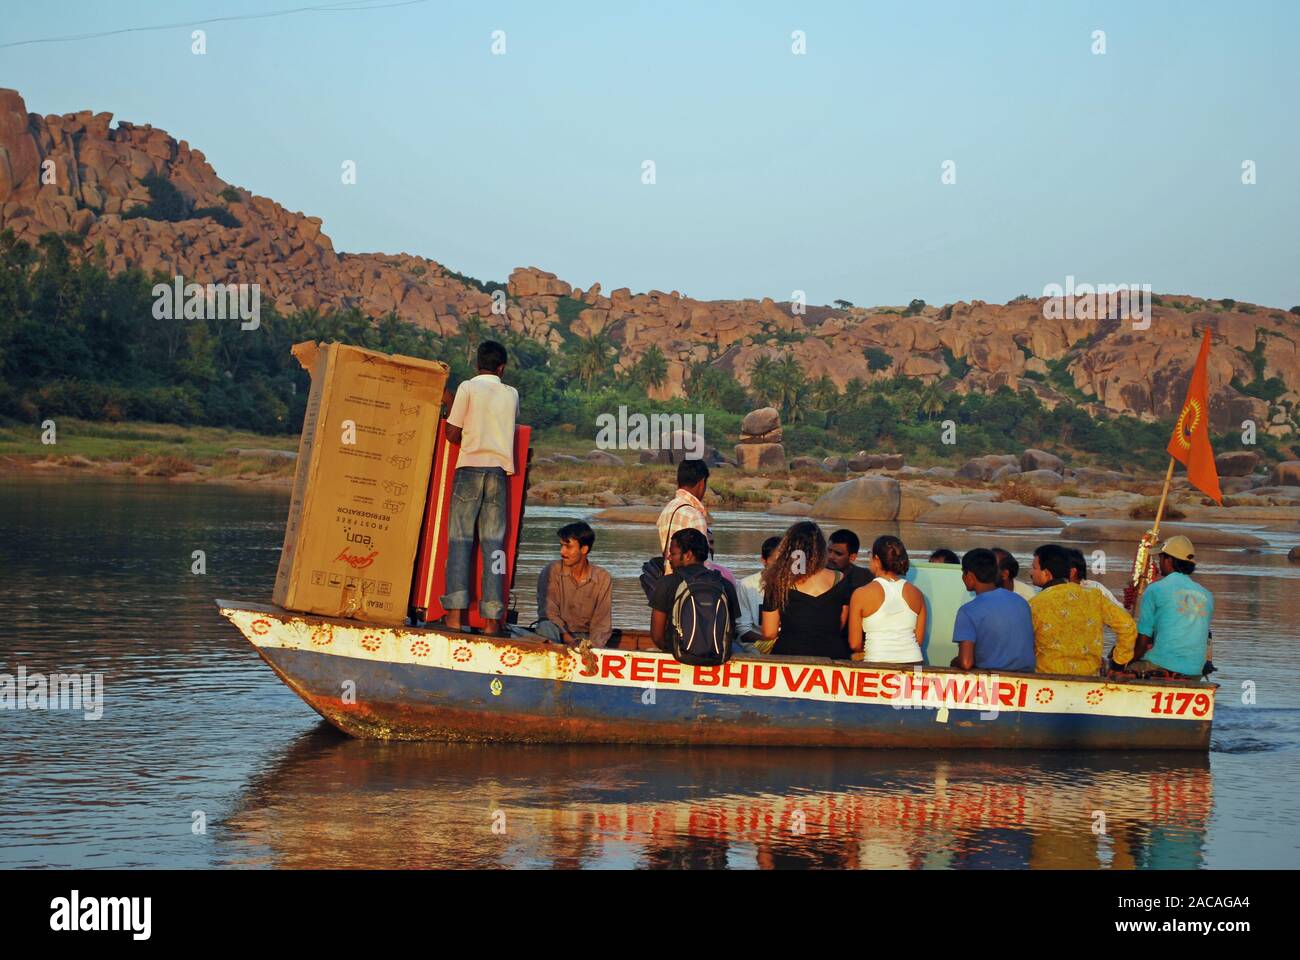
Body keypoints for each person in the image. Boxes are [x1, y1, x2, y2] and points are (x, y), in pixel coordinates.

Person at [440, 339, 519, 635]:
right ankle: (491, 622)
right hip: (498, 474)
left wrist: (449, 404)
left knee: (460, 542)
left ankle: (454, 618)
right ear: (502, 368)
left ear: (477, 365)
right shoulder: (512, 394)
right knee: (493, 547)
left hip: (469, 469)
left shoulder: (467, 388)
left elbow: (452, 433)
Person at [1028, 543, 1136, 675]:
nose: (1030, 572)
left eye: (1034, 568)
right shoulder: (1094, 596)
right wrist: (1118, 664)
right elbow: (1127, 625)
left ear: (1046, 574)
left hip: (1046, 679)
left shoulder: (1035, 603)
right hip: (1089, 678)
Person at [759, 521, 852, 659]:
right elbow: (840, 623)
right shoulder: (841, 578)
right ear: (821, 550)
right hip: (833, 655)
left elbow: (769, 632)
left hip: (789, 655)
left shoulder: (779, 582)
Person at [1127, 536, 1214, 679]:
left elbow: (1143, 641)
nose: (1159, 562)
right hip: (1195, 670)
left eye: (1161, 557)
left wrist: (1125, 661)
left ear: (1169, 560)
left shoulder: (1155, 589)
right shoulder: (1207, 595)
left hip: (1161, 664)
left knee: (1120, 668)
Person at [650, 528, 740, 654]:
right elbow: (731, 631)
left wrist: (677, 652)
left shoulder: (667, 583)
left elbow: (657, 636)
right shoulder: (725, 584)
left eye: (673, 553)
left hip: (678, 656)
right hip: (717, 658)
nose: (669, 558)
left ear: (688, 555)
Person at [950, 548, 1036, 671]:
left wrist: (956, 660)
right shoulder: (1021, 602)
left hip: (993, 680)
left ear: (970, 576)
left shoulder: (968, 611)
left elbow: (966, 663)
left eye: (963, 572)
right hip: (1027, 677)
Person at [849, 535, 926, 664]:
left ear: (877, 560)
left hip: (877, 661)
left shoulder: (861, 594)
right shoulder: (917, 594)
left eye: (870, 555)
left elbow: (854, 643)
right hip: (914, 663)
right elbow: (918, 640)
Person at [534, 521, 612, 648]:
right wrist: (568, 639)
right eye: (561, 546)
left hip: (584, 637)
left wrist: (592, 648)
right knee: (545, 626)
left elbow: (602, 622)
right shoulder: (552, 571)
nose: (562, 551)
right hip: (555, 633)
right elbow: (549, 612)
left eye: (568, 547)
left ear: (584, 549)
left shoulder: (602, 577)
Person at [655, 459, 711, 575]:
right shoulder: (694, 516)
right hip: (689, 584)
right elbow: (701, 562)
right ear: (702, 483)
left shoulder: (668, 509)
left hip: (669, 580)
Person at [736, 536, 782, 647]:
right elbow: (743, 630)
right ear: (764, 560)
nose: (781, 567)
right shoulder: (746, 585)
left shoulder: (796, 586)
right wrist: (771, 643)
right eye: (776, 562)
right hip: (756, 646)